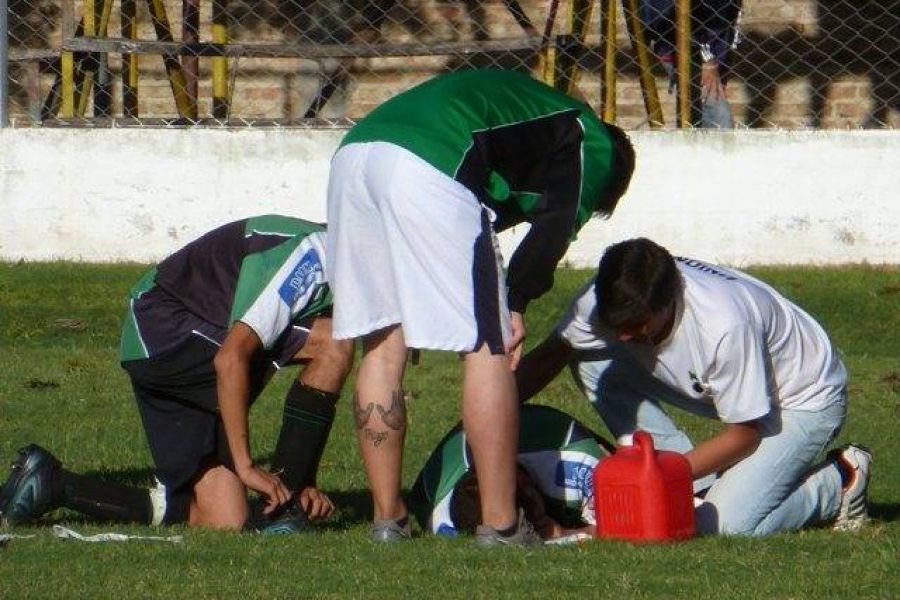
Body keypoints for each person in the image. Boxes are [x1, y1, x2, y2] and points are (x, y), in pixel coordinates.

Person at [326, 68, 635, 546]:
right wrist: (515, 305)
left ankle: (388, 520)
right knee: (488, 344)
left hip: (356, 154)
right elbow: (553, 226)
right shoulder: (589, 138)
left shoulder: (532, 117)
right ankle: (502, 524)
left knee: (383, 345)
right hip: (431, 160)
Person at [0, 215, 354, 532]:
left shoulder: (346, 263)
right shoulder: (314, 255)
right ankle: (284, 507)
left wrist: (306, 477)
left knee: (224, 519)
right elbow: (230, 359)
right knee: (334, 342)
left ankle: (51, 483)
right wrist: (247, 468)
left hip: (158, 346)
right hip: (164, 331)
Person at [516, 237, 872, 536]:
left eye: (636, 326)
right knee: (589, 357)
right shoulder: (601, 300)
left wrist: (656, 481)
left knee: (726, 526)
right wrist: (488, 415)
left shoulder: (724, 325)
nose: (623, 335)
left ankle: (839, 483)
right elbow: (552, 356)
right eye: (616, 324)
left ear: (668, 301)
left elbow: (744, 434)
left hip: (801, 400)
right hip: (723, 386)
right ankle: (692, 485)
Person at [409, 405, 611, 542]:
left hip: (549, 439)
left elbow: (613, 528)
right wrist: (557, 533)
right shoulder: (437, 516)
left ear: (523, 481)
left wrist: (555, 530)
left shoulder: (578, 464)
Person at [640, 0, 742, 128]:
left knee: (700, 117)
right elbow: (679, 11)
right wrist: (705, 55)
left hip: (711, 45)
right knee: (718, 119)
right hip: (690, 48)